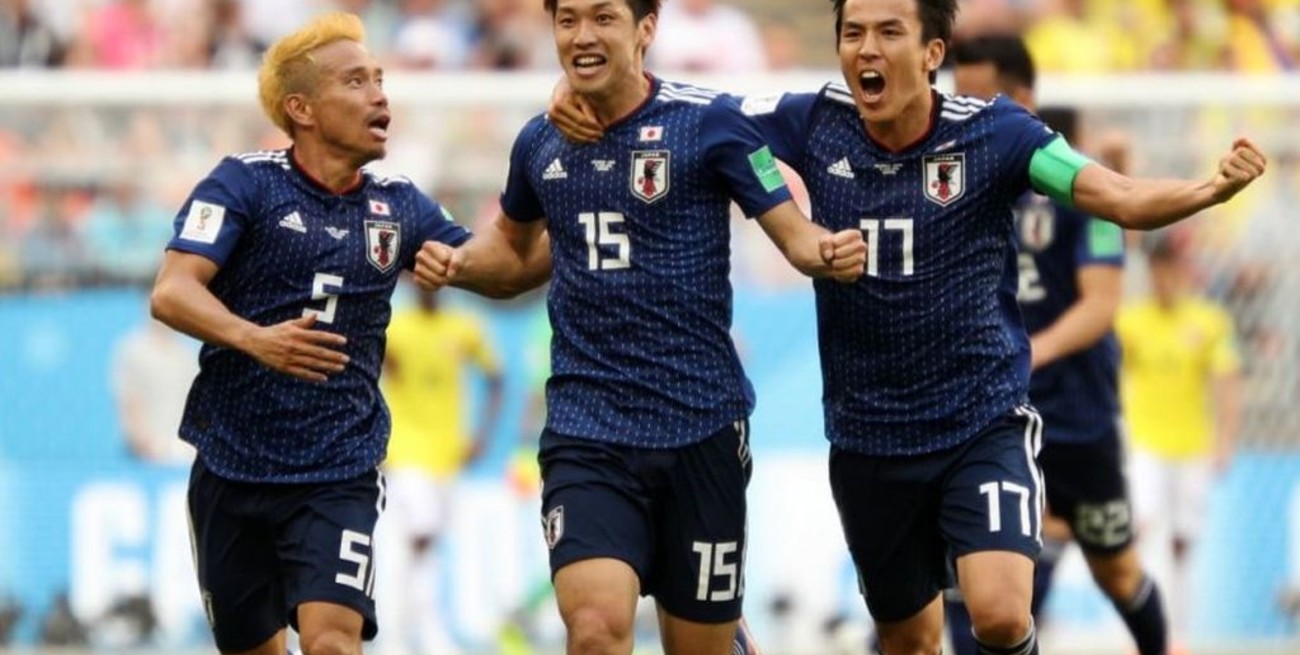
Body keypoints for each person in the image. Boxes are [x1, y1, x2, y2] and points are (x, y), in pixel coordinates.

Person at [540, 0, 1266, 653]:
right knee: (910, 639)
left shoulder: (997, 133)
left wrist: (1208, 188)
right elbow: (684, 113)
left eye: (889, 31)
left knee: (1000, 612)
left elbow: (1117, 196)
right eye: (853, 32)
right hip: (870, 438)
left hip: (979, 422)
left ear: (931, 52)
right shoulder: (811, 118)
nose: (867, 48)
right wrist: (579, 90)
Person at [414, 1, 868, 653]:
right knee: (594, 629)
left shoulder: (709, 123)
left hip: (700, 425)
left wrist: (828, 250)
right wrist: (458, 262)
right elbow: (511, 253)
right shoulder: (541, 140)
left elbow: (796, 237)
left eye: (603, 18)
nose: (583, 35)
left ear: (646, 28)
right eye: (568, 20)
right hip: (588, 426)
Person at [148, 12, 481, 655]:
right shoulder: (244, 183)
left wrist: (540, 196)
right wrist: (257, 339)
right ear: (301, 108)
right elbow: (171, 291)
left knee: (332, 641)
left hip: (339, 466)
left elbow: (499, 268)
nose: (379, 95)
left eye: (380, 79)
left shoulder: (399, 203)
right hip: (231, 464)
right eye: (356, 81)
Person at [942, 34, 1168, 655]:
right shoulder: (952, 180)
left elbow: (1101, 304)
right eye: (959, 98)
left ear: (1023, 100)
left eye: (980, 100)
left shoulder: (1078, 183)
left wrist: (1029, 352)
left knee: (1118, 572)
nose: (965, 113)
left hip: (1075, 417)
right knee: (986, 582)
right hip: (991, 413)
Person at [1116, 235, 1242, 641]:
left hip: (1192, 445)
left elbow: (1226, 382)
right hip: (1146, 443)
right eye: (1158, 268)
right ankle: (1143, 634)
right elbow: (1112, 375)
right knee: (1144, 526)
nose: (1164, 277)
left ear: (1183, 271)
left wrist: (1225, 440)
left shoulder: (1209, 321)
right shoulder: (1132, 321)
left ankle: (1177, 632)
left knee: (1183, 540)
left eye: (1171, 267)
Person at [376, 284, 504, 655]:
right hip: (406, 451)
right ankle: (417, 636)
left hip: (447, 454)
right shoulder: (396, 327)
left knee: (422, 547)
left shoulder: (463, 326)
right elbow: (371, 373)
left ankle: (406, 636)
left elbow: (496, 377)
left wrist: (482, 435)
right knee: (420, 538)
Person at [110, 310, 200, 464]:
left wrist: (189, 447)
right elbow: (129, 404)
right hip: (146, 458)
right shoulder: (133, 351)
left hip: (184, 455)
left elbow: (197, 407)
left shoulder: (187, 353)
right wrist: (149, 446)